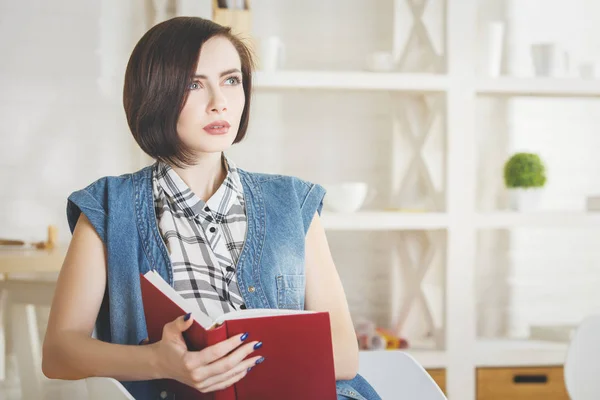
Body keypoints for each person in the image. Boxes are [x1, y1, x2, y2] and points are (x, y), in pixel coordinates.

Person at [42, 16, 381, 400]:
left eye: (231, 80)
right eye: (194, 84)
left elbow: (345, 356)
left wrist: (240, 367)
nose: (220, 103)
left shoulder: (293, 202)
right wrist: (159, 362)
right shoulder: (108, 207)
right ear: (155, 94)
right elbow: (59, 352)